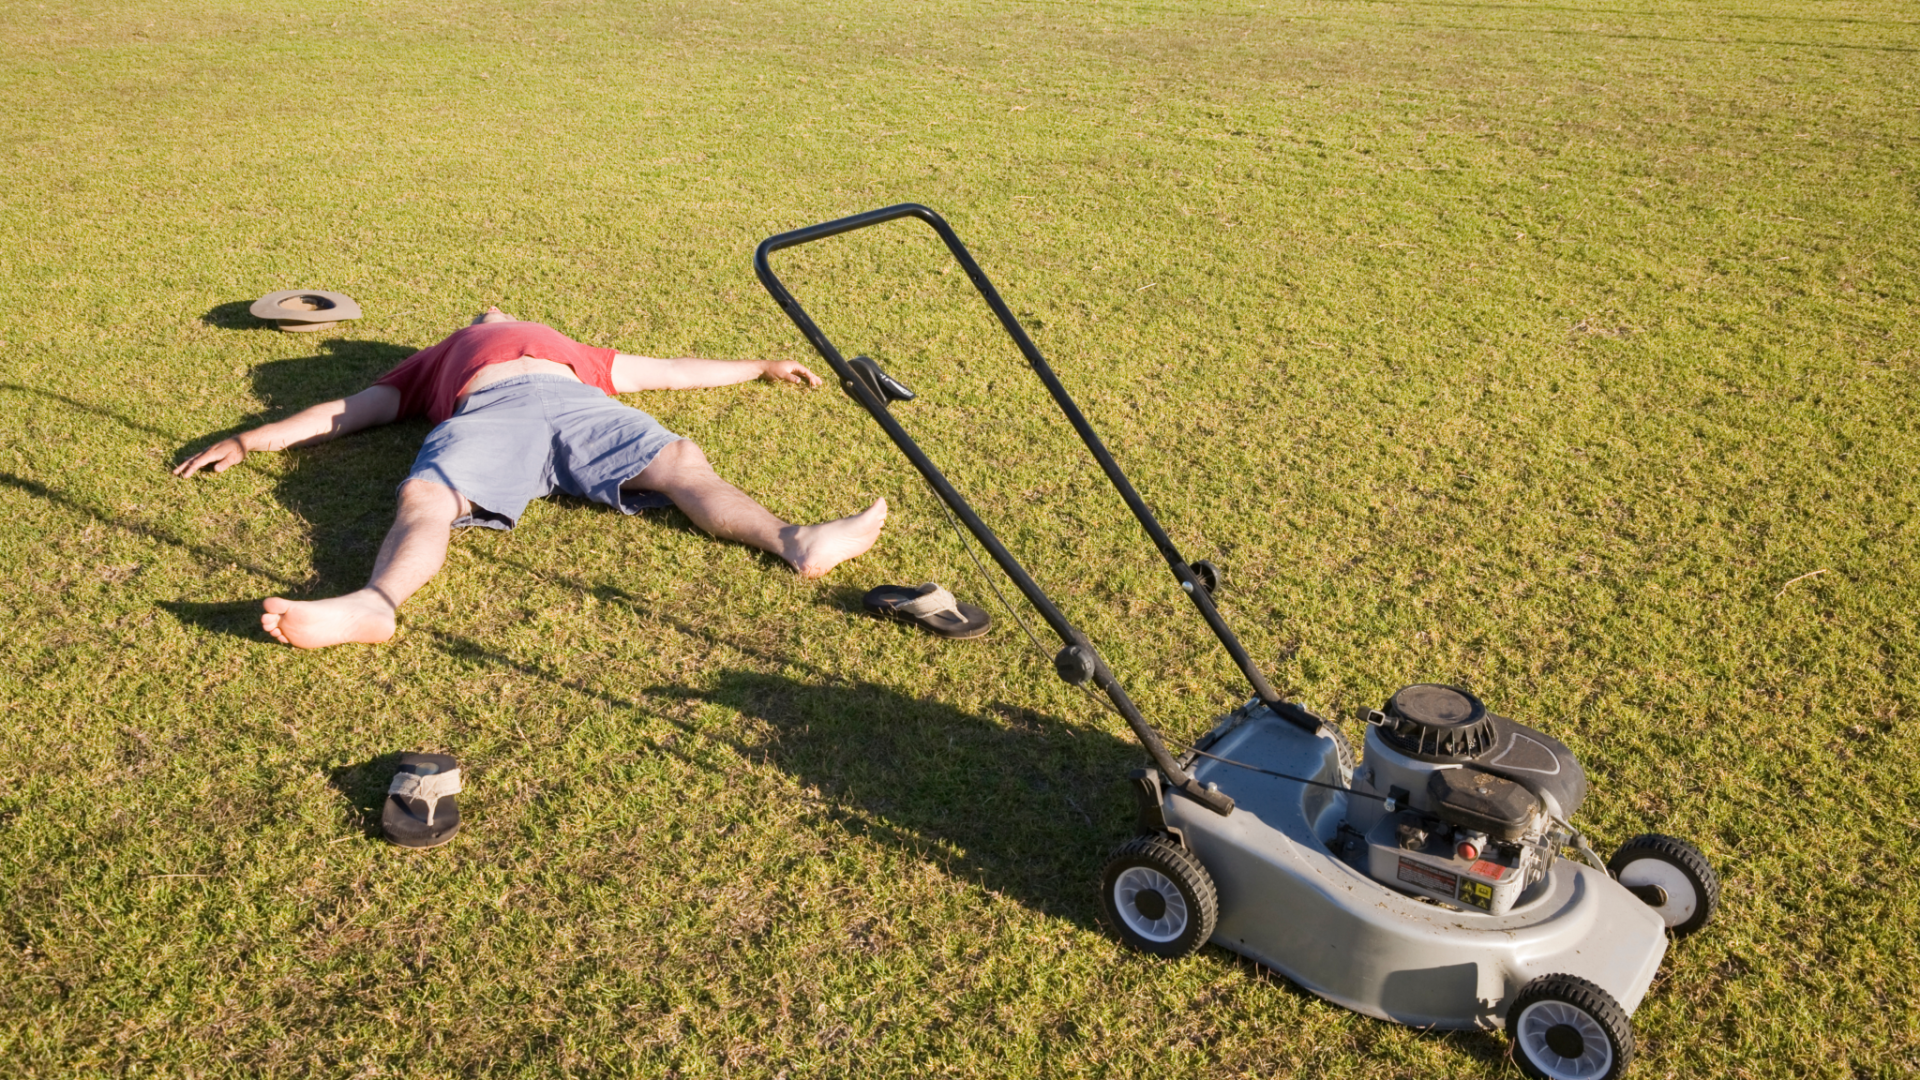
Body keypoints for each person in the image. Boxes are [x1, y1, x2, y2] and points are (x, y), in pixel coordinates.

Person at [175, 306, 886, 649]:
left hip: (580, 406)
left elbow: (665, 372)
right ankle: (374, 603)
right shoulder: (440, 356)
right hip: (490, 413)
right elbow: (352, 409)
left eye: (499, 311)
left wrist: (758, 366)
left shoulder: (570, 349)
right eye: (483, 314)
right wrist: (252, 439)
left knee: (678, 462)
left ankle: (797, 541)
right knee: (427, 497)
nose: (492, 309)